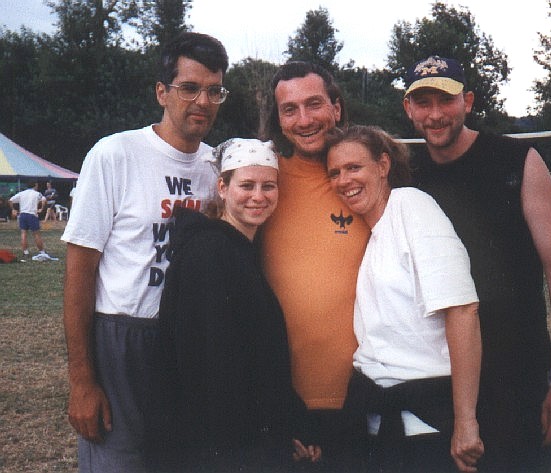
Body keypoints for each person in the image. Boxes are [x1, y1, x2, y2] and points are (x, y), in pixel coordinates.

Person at [405, 55, 551, 472]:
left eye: (446, 100)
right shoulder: (406, 174)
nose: (435, 115)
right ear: (408, 108)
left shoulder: (516, 160)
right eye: (423, 102)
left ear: (467, 101)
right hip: (438, 381)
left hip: (515, 374)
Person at [61, 32, 229, 472]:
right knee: (119, 461)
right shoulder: (116, 154)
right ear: (161, 92)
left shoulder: (217, 166)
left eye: (214, 90)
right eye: (189, 87)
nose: (203, 101)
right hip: (124, 336)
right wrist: (82, 380)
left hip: (187, 340)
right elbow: (79, 270)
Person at [145, 138, 321, 472]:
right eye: (247, 185)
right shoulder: (210, 252)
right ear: (223, 188)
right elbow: (212, 369)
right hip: (222, 444)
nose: (258, 196)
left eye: (268, 186)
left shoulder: (240, 249)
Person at [325, 125, 483, 473]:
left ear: (383, 165)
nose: (344, 180)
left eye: (354, 167)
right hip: (373, 416)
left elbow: (462, 308)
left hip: (423, 424)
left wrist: (466, 420)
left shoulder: (410, 205)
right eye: (334, 172)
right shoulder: (372, 234)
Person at [260, 61, 371, 471]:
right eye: (290, 109)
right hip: (282, 401)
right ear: (278, 119)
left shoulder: (363, 180)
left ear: (336, 108)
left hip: (364, 395)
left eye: (314, 104)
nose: (304, 120)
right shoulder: (264, 182)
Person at [8, 180, 55, 261]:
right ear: (35, 185)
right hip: (32, 215)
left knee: (23, 233)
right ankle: (42, 251)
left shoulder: (21, 193)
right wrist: (41, 208)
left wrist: (13, 209)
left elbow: (10, 200)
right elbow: (44, 200)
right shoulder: (37, 194)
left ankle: (25, 252)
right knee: (36, 234)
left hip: (23, 215)